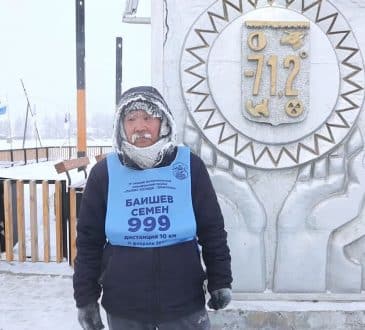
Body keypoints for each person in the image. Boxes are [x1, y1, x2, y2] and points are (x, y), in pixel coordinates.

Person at [73, 86, 232, 330]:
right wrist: (86, 299)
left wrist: (220, 279)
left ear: (163, 122)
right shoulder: (105, 174)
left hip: (184, 305)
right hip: (125, 309)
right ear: (121, 126)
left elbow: (212, 229)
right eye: (131, 119)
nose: (139, 127)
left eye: (148, 117)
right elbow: (88, 241)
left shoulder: (189, 166)